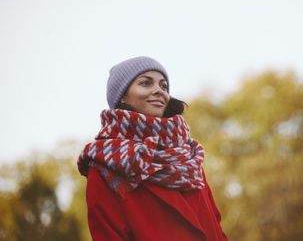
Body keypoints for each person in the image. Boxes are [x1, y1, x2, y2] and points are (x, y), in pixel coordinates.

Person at [77, 56, 228, 241]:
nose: (158, 91)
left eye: (163, 86)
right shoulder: (106, 164)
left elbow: (215, 223)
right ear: (122, 95)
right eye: (146, 83)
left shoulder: (188, 155)